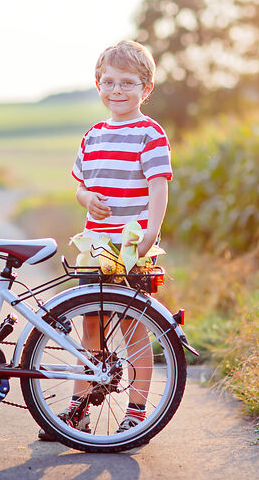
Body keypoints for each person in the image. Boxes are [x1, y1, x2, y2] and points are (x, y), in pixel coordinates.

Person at [39, 40, 172, 440]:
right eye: (109, 82)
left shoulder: (150, 134)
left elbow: (158, 186)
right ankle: (79, 409)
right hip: (95, 245)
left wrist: (151, 232)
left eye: (128, 83)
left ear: (146, 88)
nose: (117, 90)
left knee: (133, 327)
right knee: (91, 327)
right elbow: (81, 185)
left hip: (131, 245)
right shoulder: (93, 135)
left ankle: (136, 411)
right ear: (98, 84)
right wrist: (86, 199)